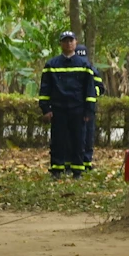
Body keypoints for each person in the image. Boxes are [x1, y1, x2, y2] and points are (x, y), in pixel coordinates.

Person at [38, 31, 98, 177]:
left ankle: (77, 170)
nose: (68, 43)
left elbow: (89, 90)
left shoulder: (84, 65)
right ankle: (57, 169)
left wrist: (89, 111)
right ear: (61, 44)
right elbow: (45, 88)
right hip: (58, 109)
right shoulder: (51, 65)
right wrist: (45, 109)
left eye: (71, 41)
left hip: (78, 109)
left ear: (76, 42)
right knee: (58, 140)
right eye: (65, 41)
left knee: (78, 140)